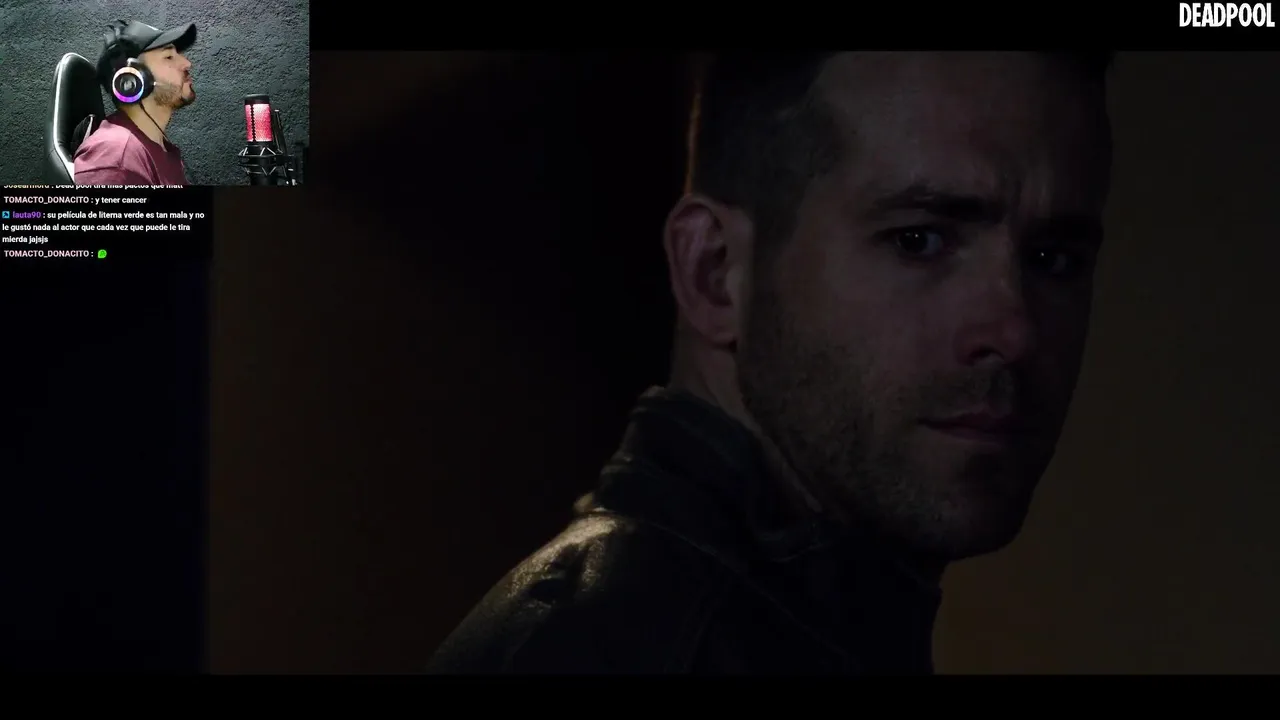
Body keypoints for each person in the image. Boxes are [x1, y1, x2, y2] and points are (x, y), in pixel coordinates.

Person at [427, 51, 1114, 674]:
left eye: (1053, 258)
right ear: (714, 271)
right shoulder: (615, 650)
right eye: (918, 240)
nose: (1015, 331)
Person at [73, 20, 197, 186]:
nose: (187, 63)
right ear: (131, 80)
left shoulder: (156, 148)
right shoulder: (116, 159)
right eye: (168, 57)